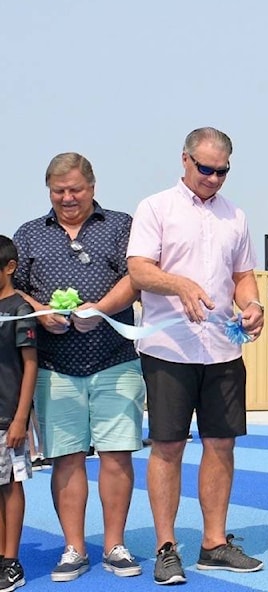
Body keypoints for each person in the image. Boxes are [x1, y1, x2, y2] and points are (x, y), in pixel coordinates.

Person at [127, 127, 265, 585]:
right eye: (205, 168)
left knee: (221, 445)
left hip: (224, 348)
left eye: (222, 171)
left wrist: (252, 304)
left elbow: (243, 275)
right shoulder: (155, 207)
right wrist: (180, 283)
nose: (213, 178)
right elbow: (139, 269)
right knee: (167, 446)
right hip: (169, 348)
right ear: (184, 160)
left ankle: (214, 543)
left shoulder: (235, 216)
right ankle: (167, 547)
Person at [13, 153, 146, 581]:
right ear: (48, 191)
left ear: (92, 186)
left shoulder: (122, 225)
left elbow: (137, 275)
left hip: (115, 360)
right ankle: (73, 548)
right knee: (66, 458)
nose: (67, 198)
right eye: (58, 191)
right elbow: (13, 289)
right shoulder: (29, 235)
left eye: (75, 189)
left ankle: (114, 545)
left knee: (116, 455)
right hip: (54, 366)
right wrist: (38, 311)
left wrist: (102, 309)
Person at [0, 235, 38, 592]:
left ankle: (11, 561)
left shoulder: (20, 310)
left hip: (7, 418)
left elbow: (30, 365)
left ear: (10, 268)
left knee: (10, 485)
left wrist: (20, 419)